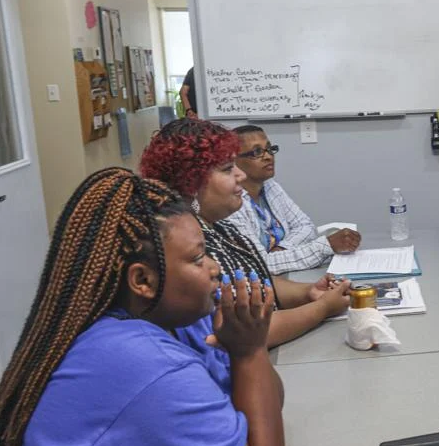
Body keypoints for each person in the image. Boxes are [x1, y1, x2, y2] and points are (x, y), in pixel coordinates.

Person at [0, 168, 284, 446]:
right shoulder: (133, 361)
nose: (215, 267)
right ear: (143, 280)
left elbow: (268, 408)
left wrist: (245, 351)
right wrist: (250, 351)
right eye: (197, 258)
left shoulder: (173, 318)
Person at [141, 118, 350, 347]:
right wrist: (322, 308)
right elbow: (246, 331)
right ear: (191, 183)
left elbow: (257, 281)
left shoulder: (222, 226)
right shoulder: (191, 247)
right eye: (227, 169)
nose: (240, 175)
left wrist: (309, 292)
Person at [225, 124, 362, 274]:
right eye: (257, 152)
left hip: (287, 275)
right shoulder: (230, 203)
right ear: (234, 161)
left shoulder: (270, 186)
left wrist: (282, 249)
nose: (268, 156)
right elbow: (260, 264)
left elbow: (306, 227)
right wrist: (326, 245)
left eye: (269, 149)